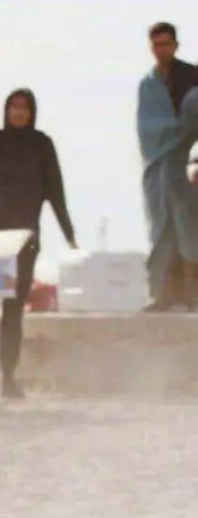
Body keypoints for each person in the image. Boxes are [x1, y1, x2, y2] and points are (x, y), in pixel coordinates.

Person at [0, 88, 78, 400]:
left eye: (24, 107)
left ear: (32, 112)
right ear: (6, 110)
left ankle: (9, 378)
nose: (18, 112)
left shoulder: (41, 145)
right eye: (13, 106)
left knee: (13, 312)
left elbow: (56, 191)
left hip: (24, 241)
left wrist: (69, 233)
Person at [137, 21, 198, 312]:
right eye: (156, 44)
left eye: (166, 43)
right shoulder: (148, 85)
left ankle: (191, 294)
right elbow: (146, 130)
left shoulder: (192, 79)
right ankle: (163, 295)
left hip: (186, 167)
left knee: (189, 230)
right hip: (158, 168)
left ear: (175, 45)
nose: (161, 49)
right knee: (161, 230)